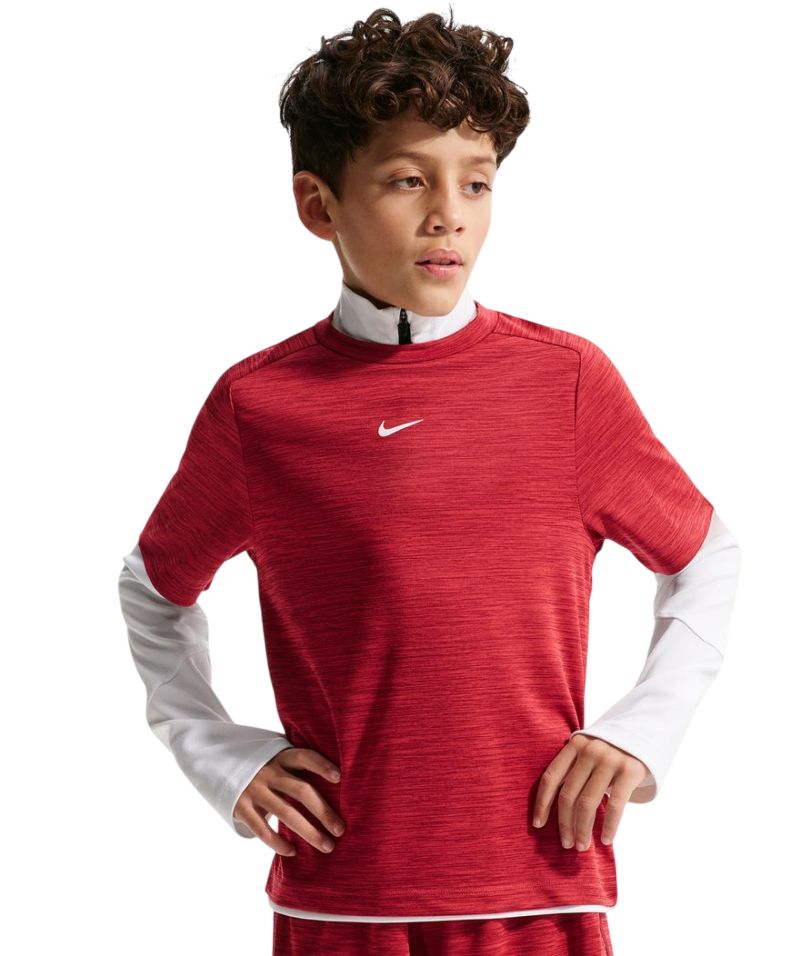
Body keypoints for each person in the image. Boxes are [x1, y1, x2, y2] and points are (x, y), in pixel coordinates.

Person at [118, 7, 741, 954]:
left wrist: (640, 732)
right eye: (409, 179)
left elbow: (706, 556)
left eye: (477, 182)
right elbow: (153, 588)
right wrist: (218, 752)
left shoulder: (566, 382)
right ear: (318, 205)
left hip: (539, 889)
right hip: (344, 896)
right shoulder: (260, 406)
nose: (450, 212)